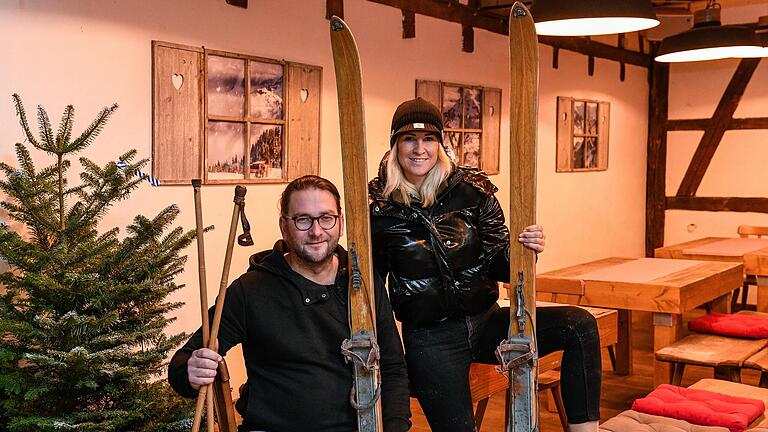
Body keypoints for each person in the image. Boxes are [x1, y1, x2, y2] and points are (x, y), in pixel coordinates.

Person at [369, 97, 601, 432]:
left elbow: (500, 266)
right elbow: (373, 284)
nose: (419, 149)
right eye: (409, 139)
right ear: (395, 145)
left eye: (429, 139)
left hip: (486, 322)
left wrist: (526, 251)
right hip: (430, 338)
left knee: (578, 325)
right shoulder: (379, 208)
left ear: (441, 145)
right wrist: (385, 350)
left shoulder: (473, 192)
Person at [169, 175, 412, 432]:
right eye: (303, 220)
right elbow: (181, 364)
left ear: (340, 223)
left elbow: (393, 366)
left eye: (326, 218)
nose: (317, 231)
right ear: (284, 226)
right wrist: (192, 371)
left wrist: (395, 427)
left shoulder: (362, 282)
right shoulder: (251, 291)